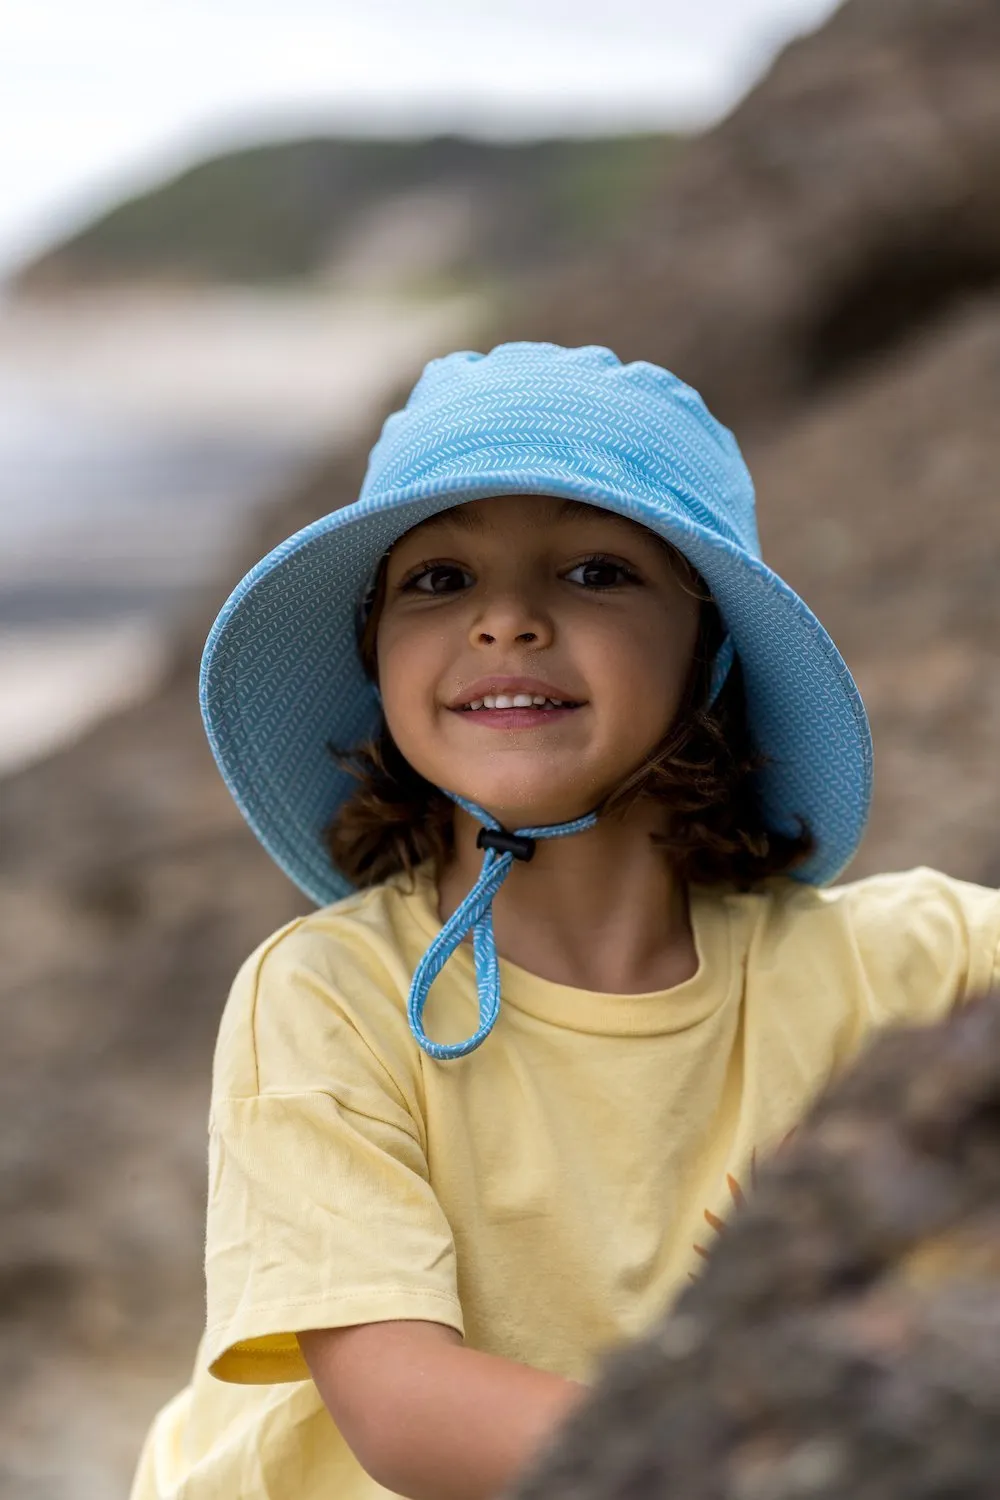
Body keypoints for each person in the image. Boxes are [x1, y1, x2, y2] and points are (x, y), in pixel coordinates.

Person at [130, 342, 1000, 1500]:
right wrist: (751, 1465)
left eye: (593, 571)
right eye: (437, 580)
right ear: (374, 657)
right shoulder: (330, 996)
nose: (506, 622)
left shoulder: (909, 960)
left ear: (710, 650)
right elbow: (402, 1404)